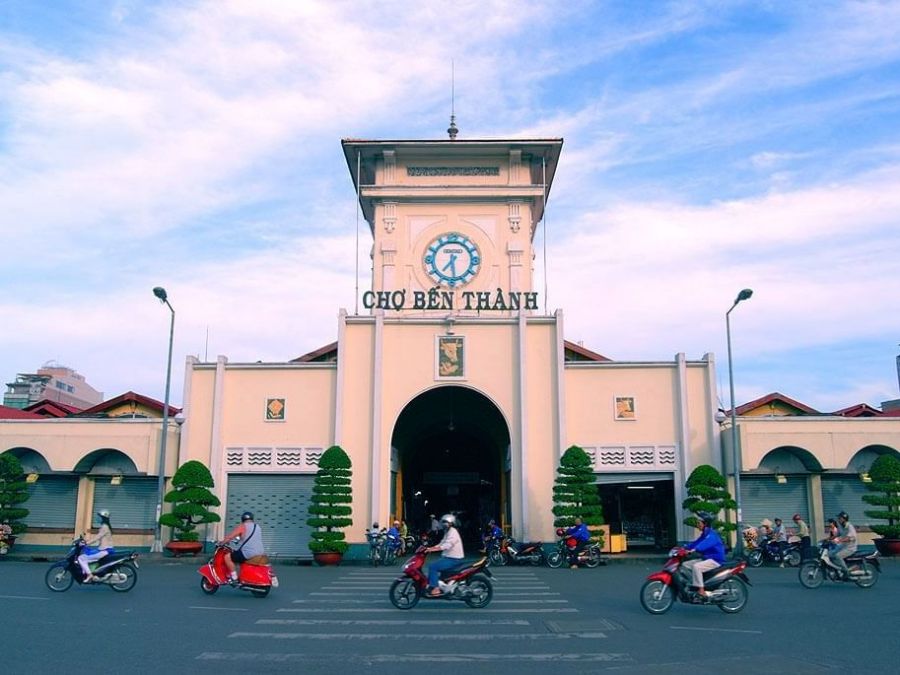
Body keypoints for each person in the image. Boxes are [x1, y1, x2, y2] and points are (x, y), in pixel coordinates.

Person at [683, 511, 726, 598]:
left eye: (699, 522)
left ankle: (701, 590)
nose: (697, 524)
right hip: (707, 558)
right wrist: (684, 547)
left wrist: (694, 550)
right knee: (685, 565)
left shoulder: (711, 535)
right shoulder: (704, 534)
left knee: (697, 567)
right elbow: (696, 542)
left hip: (715, 560)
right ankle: (696, 582)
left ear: (705, 524)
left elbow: (703, 545)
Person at [218, 511, 265, 584]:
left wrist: (221, 543)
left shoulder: (243, 526)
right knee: (240, 558)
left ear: (242, 519)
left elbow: (230, 537)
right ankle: (243, 576)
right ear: (252, 518)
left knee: (227, 557)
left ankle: (234, 577)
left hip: (249, 553)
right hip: (261, 552)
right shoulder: (258, 527)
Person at [425, 513, 465, 596]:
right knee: (435, 566)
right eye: (442, 522)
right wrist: (431, 548)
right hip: (448, 557)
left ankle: (435, 588)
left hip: (454, 559)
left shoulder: (453, 532)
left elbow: (447, 545)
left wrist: (435, 549)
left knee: (433, 567)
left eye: (445, 522)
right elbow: (442, 542)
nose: (443, 524)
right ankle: (440, 585)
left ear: (450, 523)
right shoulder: (448, 532)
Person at [78, 510, 115, 582]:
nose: (97, 518)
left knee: (81, 558)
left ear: (103, 518)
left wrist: (86, 543)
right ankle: (90, 572)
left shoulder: (104, 527)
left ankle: (89, 574)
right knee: (87, 555)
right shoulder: (105, 526)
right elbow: (99, 538)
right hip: (104, 550)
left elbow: (97, 537)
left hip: (104, 550)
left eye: (99, 517)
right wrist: (86, 541)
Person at [828, 511, 857, 579]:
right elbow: (837, 534)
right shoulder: (841, 526)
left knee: (837, 556)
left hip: (850, 548)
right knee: (830, 554)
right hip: (843, 546)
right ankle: (838, 570)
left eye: (839, 518)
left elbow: (851, 538)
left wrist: (839, 540)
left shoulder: (849, 527)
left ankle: (846, 571)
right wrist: (827, 539)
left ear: (844, 519)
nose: (838, 519)